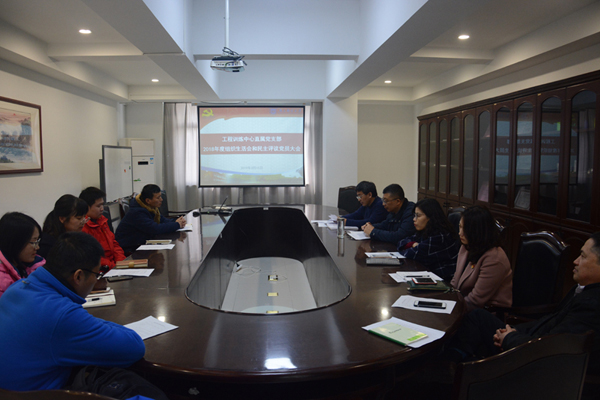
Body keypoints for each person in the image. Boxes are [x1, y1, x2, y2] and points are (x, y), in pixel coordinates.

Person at [0, 232, 145, 391]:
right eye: (97, 274)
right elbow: (134, 347)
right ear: (78, 276)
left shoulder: (17, 287)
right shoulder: (61, 314)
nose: (96, 280)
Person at [446, 232, 600, 370]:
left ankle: (453, 370)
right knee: (477, 317)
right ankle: (451, 363)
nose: (576, 261)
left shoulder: (591, 305)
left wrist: (509, 338)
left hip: (535, 364)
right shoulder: (583, 289)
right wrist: (511, 331)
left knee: (470, 349)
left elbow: (551, 350)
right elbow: (549, 321)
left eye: (583, 256)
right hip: (529, 339)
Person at [450, 206, 512, 311]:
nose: (460, 233)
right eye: (460, 227)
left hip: (487, 312)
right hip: (463, 304)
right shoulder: (466, 247)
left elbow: (476, 300)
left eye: (465, 229)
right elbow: (455, 282)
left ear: (478, 231)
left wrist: (450, 308)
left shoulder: (494, 258)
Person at [397, 198, 460, 280]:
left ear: (430, 217)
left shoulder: (440, 236)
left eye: (418, 216)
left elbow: (412, 254)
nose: (414, 219)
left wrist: (413, 246)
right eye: (414, 215)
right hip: (430, 274)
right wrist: (413, 244)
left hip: (443, 280)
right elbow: (400, 243)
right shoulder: (426, 230)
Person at [115, 184, 186, 252]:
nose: (161, 199)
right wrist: (177, 224)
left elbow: (162, 220)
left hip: (141, 243)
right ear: (148, 200)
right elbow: (155, 229)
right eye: (158, 198)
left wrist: (176, 221)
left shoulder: (150, 207)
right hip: (129, 248)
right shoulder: (137, 212)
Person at [0, 212, 46, 297]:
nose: (37, 247)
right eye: (33, 242)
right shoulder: (2, 279)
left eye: (37, 241)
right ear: (15, 242)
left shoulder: (33, 266)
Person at [79, 187, 126, 269]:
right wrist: (114, 266)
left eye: (102, 205)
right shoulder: (82, 227)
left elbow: (114, 245)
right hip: (102, 269)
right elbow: (93, 257)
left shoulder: (102, 220)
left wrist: (122, 262)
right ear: (86, 207)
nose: (102, 209)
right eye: (98, 206)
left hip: (114, 266)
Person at [38, 194, 89, 259]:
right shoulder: (48, 245)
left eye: (84, 217)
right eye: (79, 218)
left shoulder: (76, 237)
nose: (83, 221)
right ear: (62, 219)